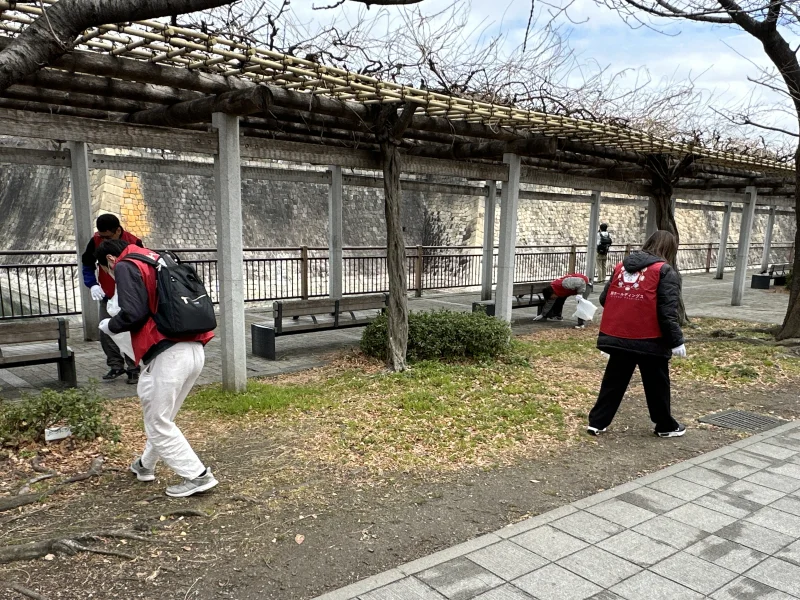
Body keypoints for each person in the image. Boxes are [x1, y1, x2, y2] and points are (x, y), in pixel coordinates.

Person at [95, 238, 218, 498]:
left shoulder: (127, 265)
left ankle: (197, 476)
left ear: (109, 260)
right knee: (162, 419)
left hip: (166, 355)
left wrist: (110, 326)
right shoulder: (159, 258)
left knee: (157, 423)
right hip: (193, 349)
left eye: (105, 270)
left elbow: (134, 313)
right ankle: (144, 465)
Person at [587, 230, 687, 438]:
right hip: (650, 339)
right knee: (657, 384)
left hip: (620, 335)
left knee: (613, 381)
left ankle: (597, 423)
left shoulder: (620, 267)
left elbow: (606, 299)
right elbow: (667, 311)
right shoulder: (664, 271)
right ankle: (665, 425)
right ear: (670, 248)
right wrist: (676, 341)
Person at [81, 214, 143, 384]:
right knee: (106, 330)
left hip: (129, 295)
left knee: (131, 331)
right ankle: (115, 365)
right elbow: (87, 262)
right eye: (101, 236)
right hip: (107, 294)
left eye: (107, 237)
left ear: (117, 231)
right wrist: (92, 284)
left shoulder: (134, 242)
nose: (103, 240)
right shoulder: (95, 241)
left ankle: (133, 367)